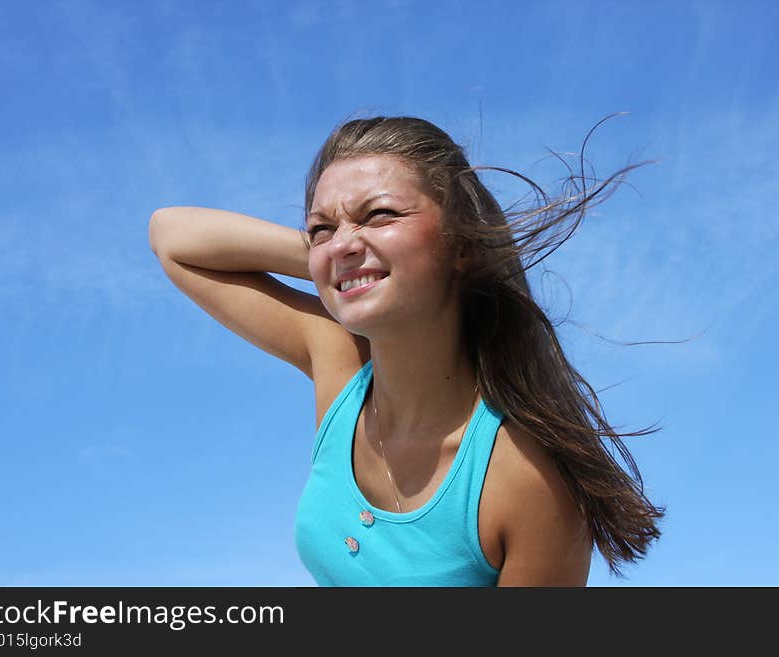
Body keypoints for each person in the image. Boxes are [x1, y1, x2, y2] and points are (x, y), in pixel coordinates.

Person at [148, 115, 665, 586]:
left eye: (380, 215)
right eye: (320, 226)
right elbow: (172, 235)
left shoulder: (525, 479)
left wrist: (357, 259)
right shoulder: (340, 362)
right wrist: (338, 262)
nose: (342, 239)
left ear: (462, 245)